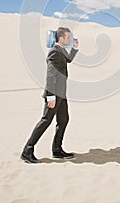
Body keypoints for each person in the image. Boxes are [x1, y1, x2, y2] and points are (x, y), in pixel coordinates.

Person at [20, 27, 79, 164]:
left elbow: (68, 60)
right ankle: (27, 151)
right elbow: (50, 75)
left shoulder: (61, 50)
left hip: (61, 94)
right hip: (54, 94)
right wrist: (50, 96)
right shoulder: (54, 51)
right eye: (68, 38)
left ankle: (57, 150)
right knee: (46, 120)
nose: (70, 40)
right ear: (61, 38)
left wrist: (74, 49)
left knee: (63, 120)